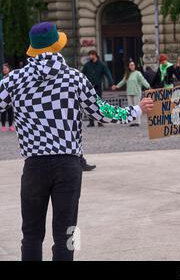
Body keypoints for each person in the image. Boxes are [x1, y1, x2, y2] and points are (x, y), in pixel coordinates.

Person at [0, 21, 154, 261]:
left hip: (34, 166)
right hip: (68, 164)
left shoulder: (14, 80)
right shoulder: (74, 78)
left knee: (30, 234)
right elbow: (102, 112)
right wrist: (135, 110)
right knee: (67, 233)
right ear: (57, 47)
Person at [112, 61, 150, 126]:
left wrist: (148, 86)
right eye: (131, 65)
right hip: (129, 93)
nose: (132, 66)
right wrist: (117, 86)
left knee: (137, 107)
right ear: (129, 67)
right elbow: (123, 81)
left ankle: (137, 122)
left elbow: (143, 80)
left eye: (133, 65)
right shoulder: (127, 74)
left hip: (136, 92)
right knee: (131, 108)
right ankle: (132, 121)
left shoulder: (138, 73)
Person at [82, 50, 113, 127]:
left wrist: (111, 83)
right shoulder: (87, 65)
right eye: (89, 55)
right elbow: (82, 74)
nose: (90, 57)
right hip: (88, 88)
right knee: (89, 105)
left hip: (97, 87)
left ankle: (99, 121)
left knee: (98, 105)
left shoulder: (101, 65)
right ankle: (91, 122)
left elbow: (107, 73)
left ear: (95, 55)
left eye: (91, 55)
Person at [1, 63, 14, 132]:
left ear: (9, 69)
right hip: (2, 98)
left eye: (6, 68)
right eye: (3, 68)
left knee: (10, 112)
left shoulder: (11, 77)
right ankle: (3, 126)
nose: (5, 70)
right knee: (3, 111)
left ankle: (11, 125)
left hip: (10, 97)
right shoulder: (1, 77)